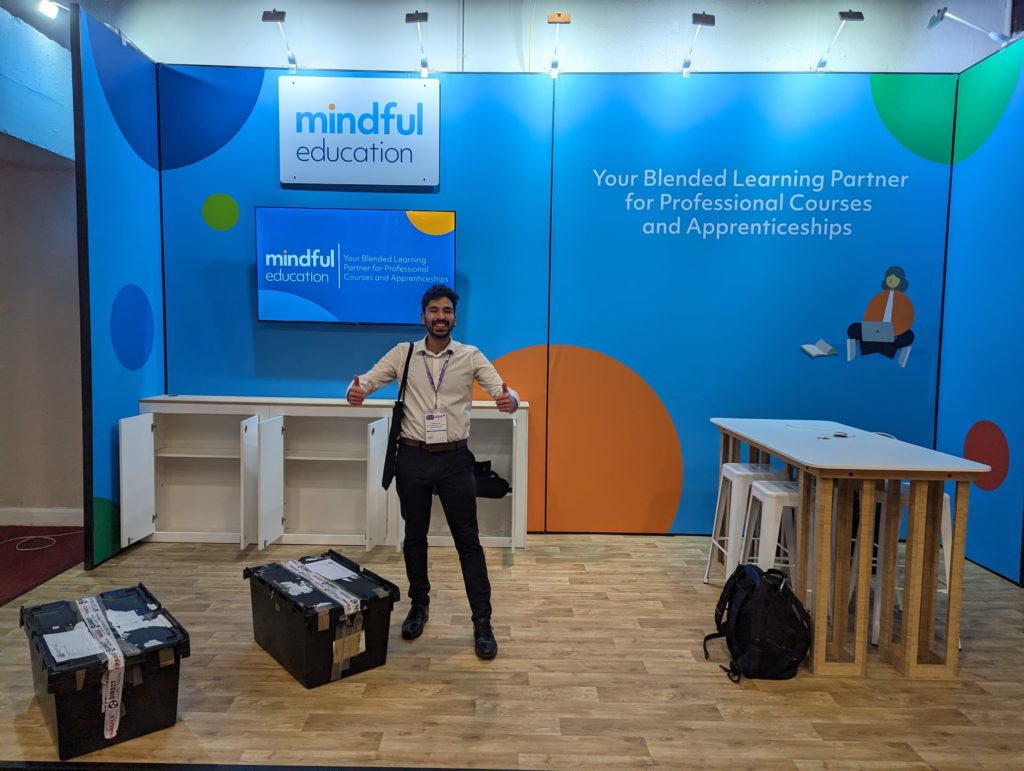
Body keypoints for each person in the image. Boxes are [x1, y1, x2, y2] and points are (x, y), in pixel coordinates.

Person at [345, 284, 519, 659]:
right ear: (423, 316)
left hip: (456, 461)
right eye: (434, 310)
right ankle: (419, 606)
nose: (441, 317)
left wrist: (510, 401)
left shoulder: (470, 356)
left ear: (455, 317)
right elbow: (367, 380)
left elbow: (504, 389)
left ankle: (482, 621)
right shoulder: (403, 353)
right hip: (413, 459)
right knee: (415, 538)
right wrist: (354, 391)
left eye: (447, 311)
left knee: (468, 542)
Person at [847, 265, 915, 367]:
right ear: (886, 280)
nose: (892, 281)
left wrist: (894, 331)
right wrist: (875, 328)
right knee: (853, 328)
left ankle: (877, 345)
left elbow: (907, 319)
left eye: (895, 279)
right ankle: (882, 345)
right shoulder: (879, 297)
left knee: (909, 335)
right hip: (876, 330)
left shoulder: (905, 300)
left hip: (894, 333)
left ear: (901, 281)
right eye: (889, 278)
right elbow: (869, 315)